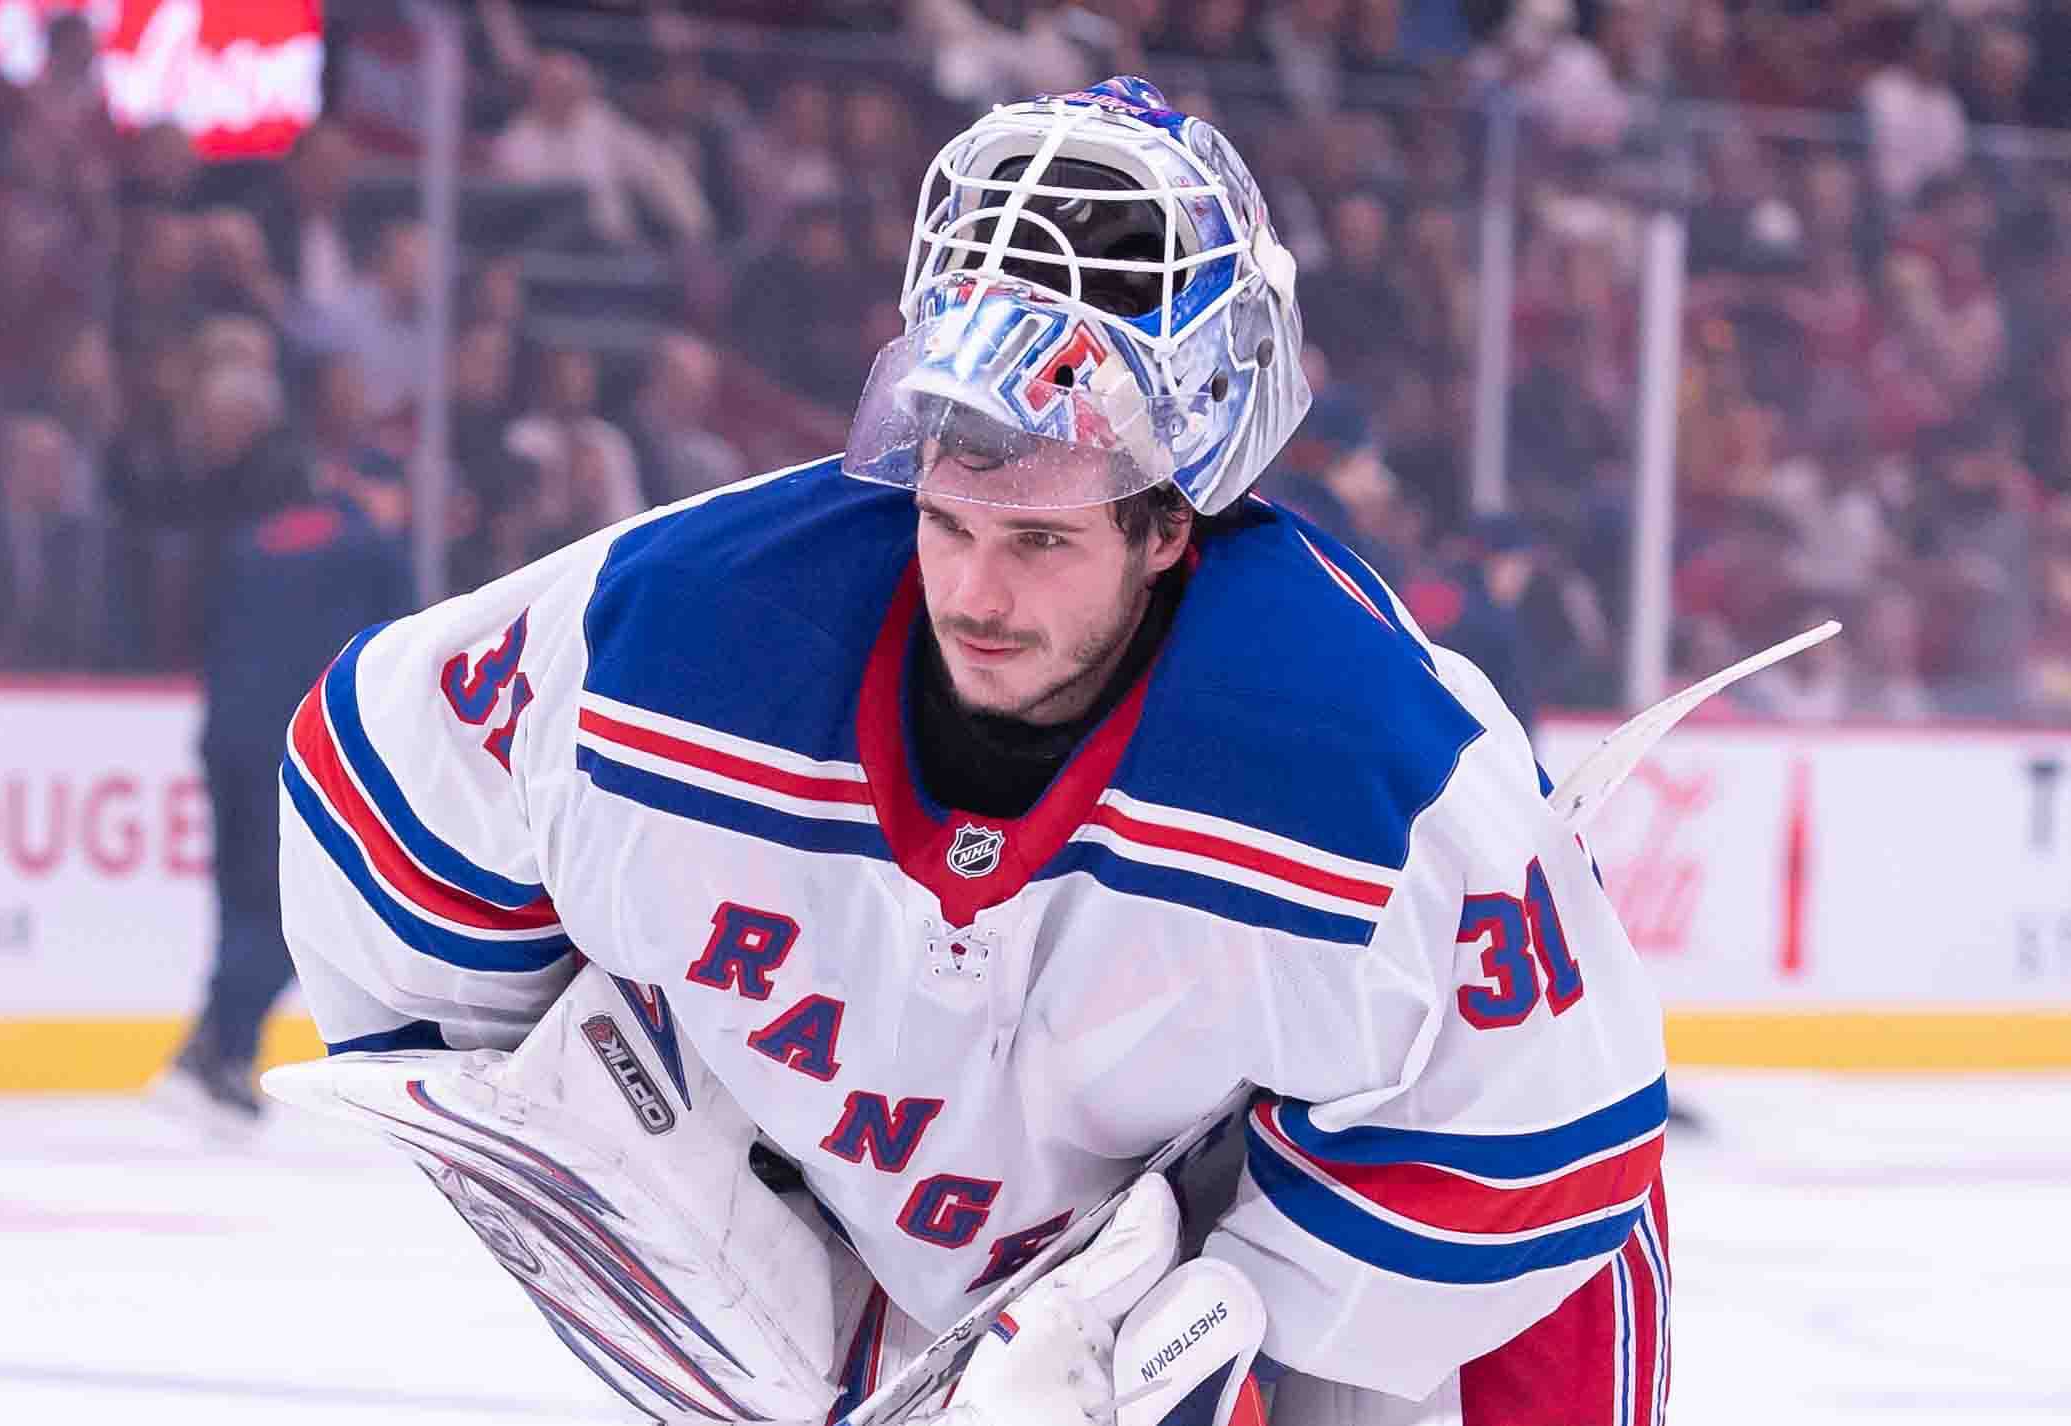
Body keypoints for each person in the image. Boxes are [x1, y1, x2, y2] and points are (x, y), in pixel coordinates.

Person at [271, 78, 1670, 1425]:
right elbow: (376, 790)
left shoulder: (1364, 760)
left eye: (1044, 539)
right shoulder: (677, 634)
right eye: (946, 520)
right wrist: (601, 1144)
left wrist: (1236, 1325)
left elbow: (1555, 1143)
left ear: (1169, 528)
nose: (976, 598)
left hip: (1238, 1261)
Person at [153, 363, 413, 1127]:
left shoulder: (257, 539)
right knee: (295, 915)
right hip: (296, 754)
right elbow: (391, 661)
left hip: (224, 738)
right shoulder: (370, 550)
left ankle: (220, 1050)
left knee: (240, 903)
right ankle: (213, 1049)